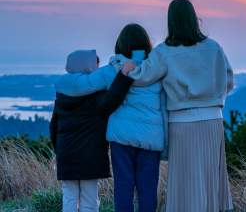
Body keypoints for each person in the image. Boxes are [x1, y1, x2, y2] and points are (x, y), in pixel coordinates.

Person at [128, 0, 234, 212]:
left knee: (186, 180)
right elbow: (229, 80)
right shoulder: (214, 48)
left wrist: (122, 64)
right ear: (194, 18)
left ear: (171, 21)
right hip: (213, 121)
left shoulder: (164, 51)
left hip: (183, 123)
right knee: (209, 178)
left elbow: (140, 78)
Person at [55, 24, 168, 212]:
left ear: (120, 44)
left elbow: (84, 83)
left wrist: (60, 83)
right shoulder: (158, 70)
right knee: (148, 192)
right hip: (151, 139)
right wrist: (165, 141)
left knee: (123, 191)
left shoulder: (111, 70)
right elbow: (164, 107)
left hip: (121, 139)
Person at [50, 50, 136, 212]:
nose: (97, 68)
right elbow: (111, 101)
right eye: (95, 65)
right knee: (89, 200)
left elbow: (53, 126)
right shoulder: (95, 94)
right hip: (90, 155)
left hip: (66, 154)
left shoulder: (62, 94)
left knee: (69, 198)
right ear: (88, 67)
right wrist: (124, 75)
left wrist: (59, 151)